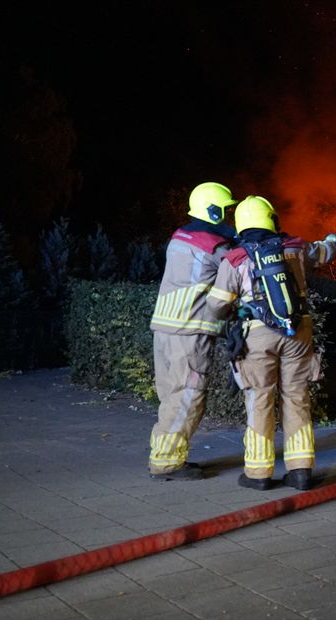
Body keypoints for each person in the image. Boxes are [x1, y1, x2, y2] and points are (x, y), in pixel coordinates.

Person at [206, 195, 336, 490]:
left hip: (257, 336)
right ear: (272, 220)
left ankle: (258, 474)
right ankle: (300, 471)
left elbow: (216, 306)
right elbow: (327, 252)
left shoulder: (235, 258)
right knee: (297, 397)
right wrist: (333, 239)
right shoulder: (296, 248)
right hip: (297, 332)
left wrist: (237, 308)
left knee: (259, 399)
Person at [148, 181, 239, 481]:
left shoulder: (179, 237)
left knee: (171, 396)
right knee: (188, 396)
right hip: (189, 333)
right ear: (213, 211)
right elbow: (238, 267)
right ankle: (167, 462)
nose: (228, 217)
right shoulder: (214, 246)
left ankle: (164, 454)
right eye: (225, 211)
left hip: (165, 329)